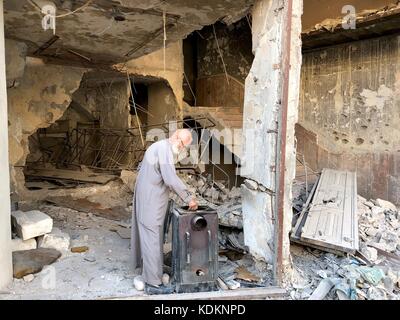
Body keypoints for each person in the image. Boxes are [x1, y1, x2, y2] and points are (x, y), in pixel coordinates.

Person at [131, 129, 199, 295]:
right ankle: (153, 284)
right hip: (150, 201)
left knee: (153, 238)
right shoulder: (163, 148)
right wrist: (188, 197)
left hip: (150, 199)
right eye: (183, 145)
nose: (182, 149)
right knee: (152, 240)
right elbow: (170, 178)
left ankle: (153, 274)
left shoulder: (161, 147)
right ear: (176, 137)